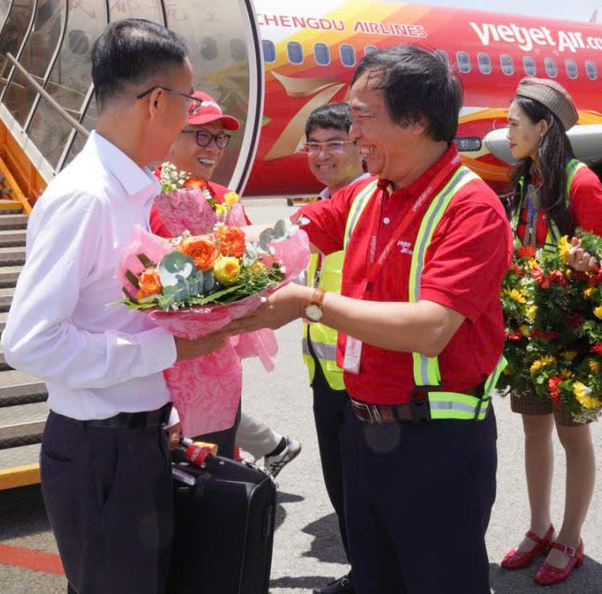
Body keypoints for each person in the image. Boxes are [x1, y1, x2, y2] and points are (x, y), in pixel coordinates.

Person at [230, 45, 511, 594]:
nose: (352, 131)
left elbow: (431, 328)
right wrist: (197, 253)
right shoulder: (364, 193)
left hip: (437, 443)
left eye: (362, 116)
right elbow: (284, 238)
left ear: (416, 120)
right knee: (374, 579)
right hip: (364, 433)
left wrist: (310, 303)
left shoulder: (471, 208)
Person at [1, 18, 229, 594]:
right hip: (99, 450)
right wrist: (167, 350)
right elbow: (29, 341)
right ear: (155, 102)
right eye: (187, 101)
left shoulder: (134, 190)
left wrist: (161, 408)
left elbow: (119, 313)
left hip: (138, 438)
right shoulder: (87, 198)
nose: (189, 114)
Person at [498, 78, 602, 587]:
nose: (506, 134)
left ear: (543, 127)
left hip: (571, 333)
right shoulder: (525, 179)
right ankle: (539, 526)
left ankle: (570, 535)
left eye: (514, 124)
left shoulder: (580, 182)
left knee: (573, 434)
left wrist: (582, 269)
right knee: (533, 430)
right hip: (529, 327)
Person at [150, 91, 303, 471]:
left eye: (220, 138)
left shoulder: (225, 199)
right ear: (171, 133)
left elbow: (254, 268)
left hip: (216, 362)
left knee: (213, 466)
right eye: (202, 135)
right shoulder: (145, 196)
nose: (213, 148)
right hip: (157, 360)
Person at [299, 101, 368, 594]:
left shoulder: (370, 203)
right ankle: (362, 574)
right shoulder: (322, 202)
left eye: (334, 144)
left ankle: (375, 577)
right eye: (314, 146)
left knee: (366, 490)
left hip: (364, 374)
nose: (322, 155)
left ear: (359, 145)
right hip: (325, 373)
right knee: (340, 484)